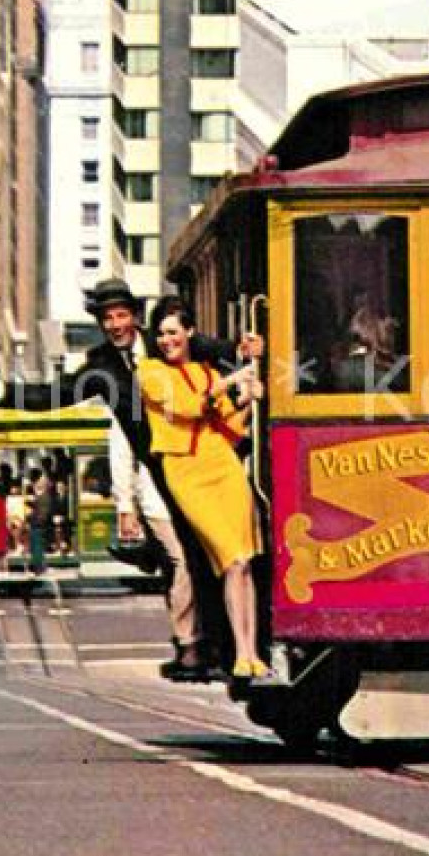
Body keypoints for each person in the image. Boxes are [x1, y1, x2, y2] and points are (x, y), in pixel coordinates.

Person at [72, 277, 258, 682]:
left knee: (216, 556)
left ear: (135, 317)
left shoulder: (165, 341)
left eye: (122, 315)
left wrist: (242, 351)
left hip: (211, 460)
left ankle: (223, 648)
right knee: (184, 557)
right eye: (108, 318)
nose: (116, 324)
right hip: (163, 471)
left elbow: (209, 348)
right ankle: (195, 646)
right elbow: (61, 392)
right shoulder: (101, 363)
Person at [137, 296, 270, 681]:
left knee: (243, 561)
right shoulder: (150, 373)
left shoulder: (206, 371)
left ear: (189, 333)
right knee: (228, 556)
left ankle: (248, 652)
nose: (166, 341)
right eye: (160, 334)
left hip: (222, 465)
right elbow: (188, 407)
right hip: (187, 472)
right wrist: (235, 379)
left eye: (173, 333)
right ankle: (238, 651)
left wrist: (249, 395)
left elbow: (228, 424)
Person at [26, 467, 54, 574]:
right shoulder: (43, 497)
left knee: (37, 547)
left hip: (37, 526)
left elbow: (42, 513)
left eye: (40, 483)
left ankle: (38, 568)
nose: (37, 485)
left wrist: (32, 519)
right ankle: (40, 566)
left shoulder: (44, 497)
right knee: (36, 546)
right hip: (38, 525)